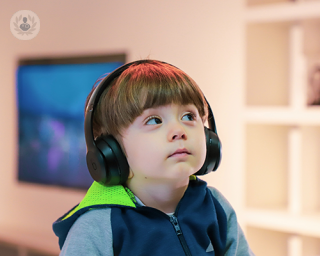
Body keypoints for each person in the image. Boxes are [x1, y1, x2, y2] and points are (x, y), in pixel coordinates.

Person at [53, 59, 255, 256]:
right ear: (112, 151)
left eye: (189, 117)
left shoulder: (215, 206)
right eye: (154, 120)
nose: (179, 131)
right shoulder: (98, 226)